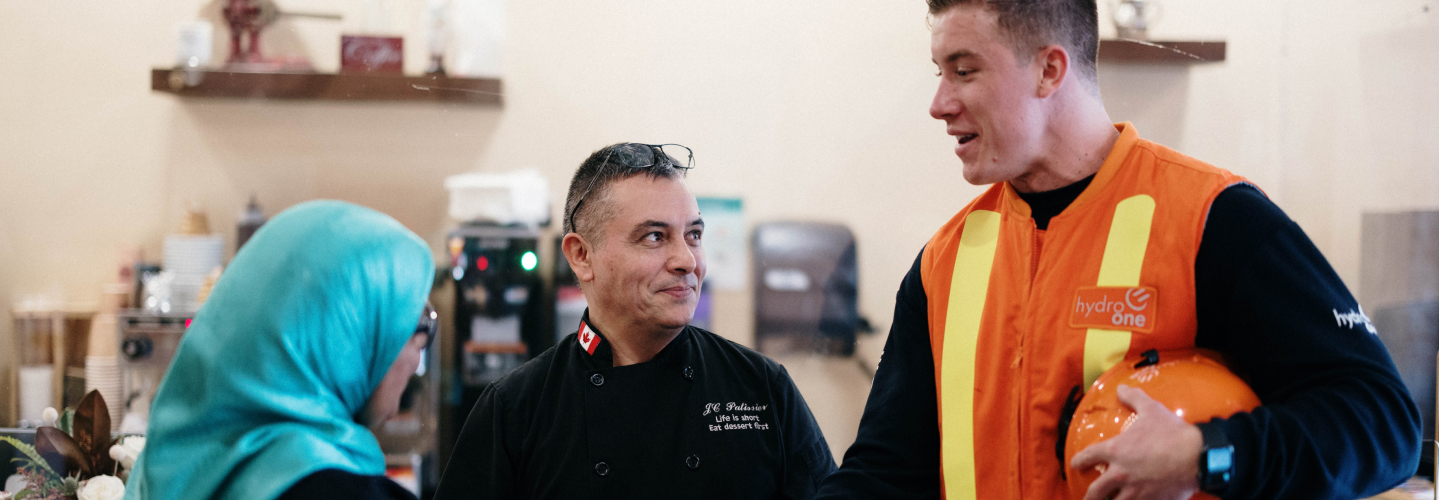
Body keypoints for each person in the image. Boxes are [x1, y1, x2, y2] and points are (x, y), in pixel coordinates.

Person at [814, 1, 1421, 499]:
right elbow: (886, 475)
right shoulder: (943, 263)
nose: (939, 103)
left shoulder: (1216, 220)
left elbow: (1384, 423)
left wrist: (1206, 454)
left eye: (964, 70)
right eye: (939, 71)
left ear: (1049, 71)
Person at [434, 143, 836, 499]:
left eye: (693, 235)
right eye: (655, 237)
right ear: (581, 256)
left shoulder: (762, 389)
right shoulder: (515, 412)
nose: (687, 260)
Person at [124, 200, 437, 500]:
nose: (417, 350)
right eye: (413, 323)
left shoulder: (155, 472)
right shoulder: (341, 491)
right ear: (344, 338)